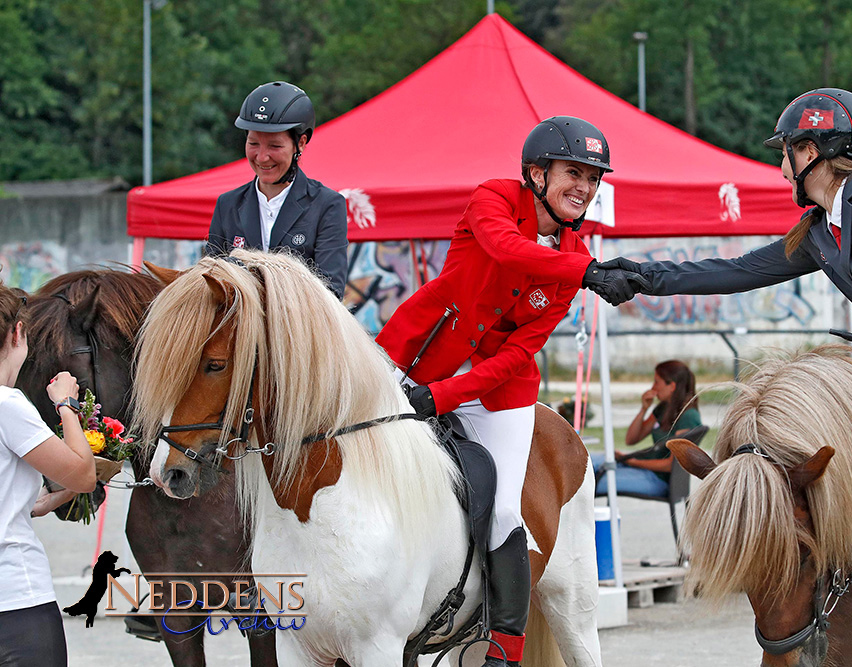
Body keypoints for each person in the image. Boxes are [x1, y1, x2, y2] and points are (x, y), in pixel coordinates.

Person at [376, 116, 648, 667]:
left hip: (497, 393)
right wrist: (587, 270)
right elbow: (504, 251)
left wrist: (447, 397)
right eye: (574, 173)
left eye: (594, 179)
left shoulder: (573, 254)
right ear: (536, 173)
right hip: (414, 358)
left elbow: (517, 354)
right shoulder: (494, 199)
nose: (586, 188)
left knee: (504, 512)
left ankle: (505, 646)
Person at [599, 88, 852, 434]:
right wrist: (643, 277)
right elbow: (736, 271)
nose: (781, 171)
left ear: (810, 151)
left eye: (785, 153)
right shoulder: (816, 233)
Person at [0, 282, 96, 666]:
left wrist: (53, 498)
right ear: (18, 333)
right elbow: (83, 475)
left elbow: (15, 502)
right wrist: (67, 406)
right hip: (14, 600)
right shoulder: (8, 406)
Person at [207, 81, 349, 298]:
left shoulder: (327, 205)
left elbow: (330, 292)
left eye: (274, 146)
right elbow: (209, 280)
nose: (262, 157)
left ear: (300, 143)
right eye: (253, 144)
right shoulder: (227, 204)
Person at [592, 360, 701, 496]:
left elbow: (670, 465)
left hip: (657, 480)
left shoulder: (688, 417)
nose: (652, 387)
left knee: (593, 481)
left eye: (656, 382)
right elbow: (631, 439)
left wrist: (634, 462)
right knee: (590, 461)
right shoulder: (664, 408)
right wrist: (644, 409)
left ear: (672, 386)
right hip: (643, 470)